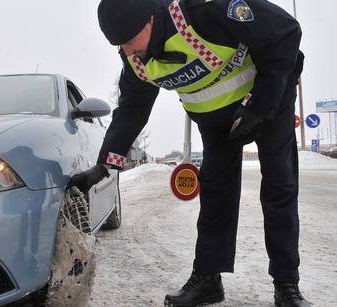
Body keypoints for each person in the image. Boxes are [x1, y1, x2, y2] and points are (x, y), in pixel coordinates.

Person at [68, 0, 309, 306]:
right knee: (215, 194)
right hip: (217, 121)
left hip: (267, 99)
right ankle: (208, 279)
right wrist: (104, 166)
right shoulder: (136, 60)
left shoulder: (205, 11)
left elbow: (285, 33)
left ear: (150, 21)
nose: (127, 52)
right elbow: (131, 110)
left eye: (129, 41)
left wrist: (260, 106)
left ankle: (287, 285)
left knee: (279, 185)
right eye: (119, 46)